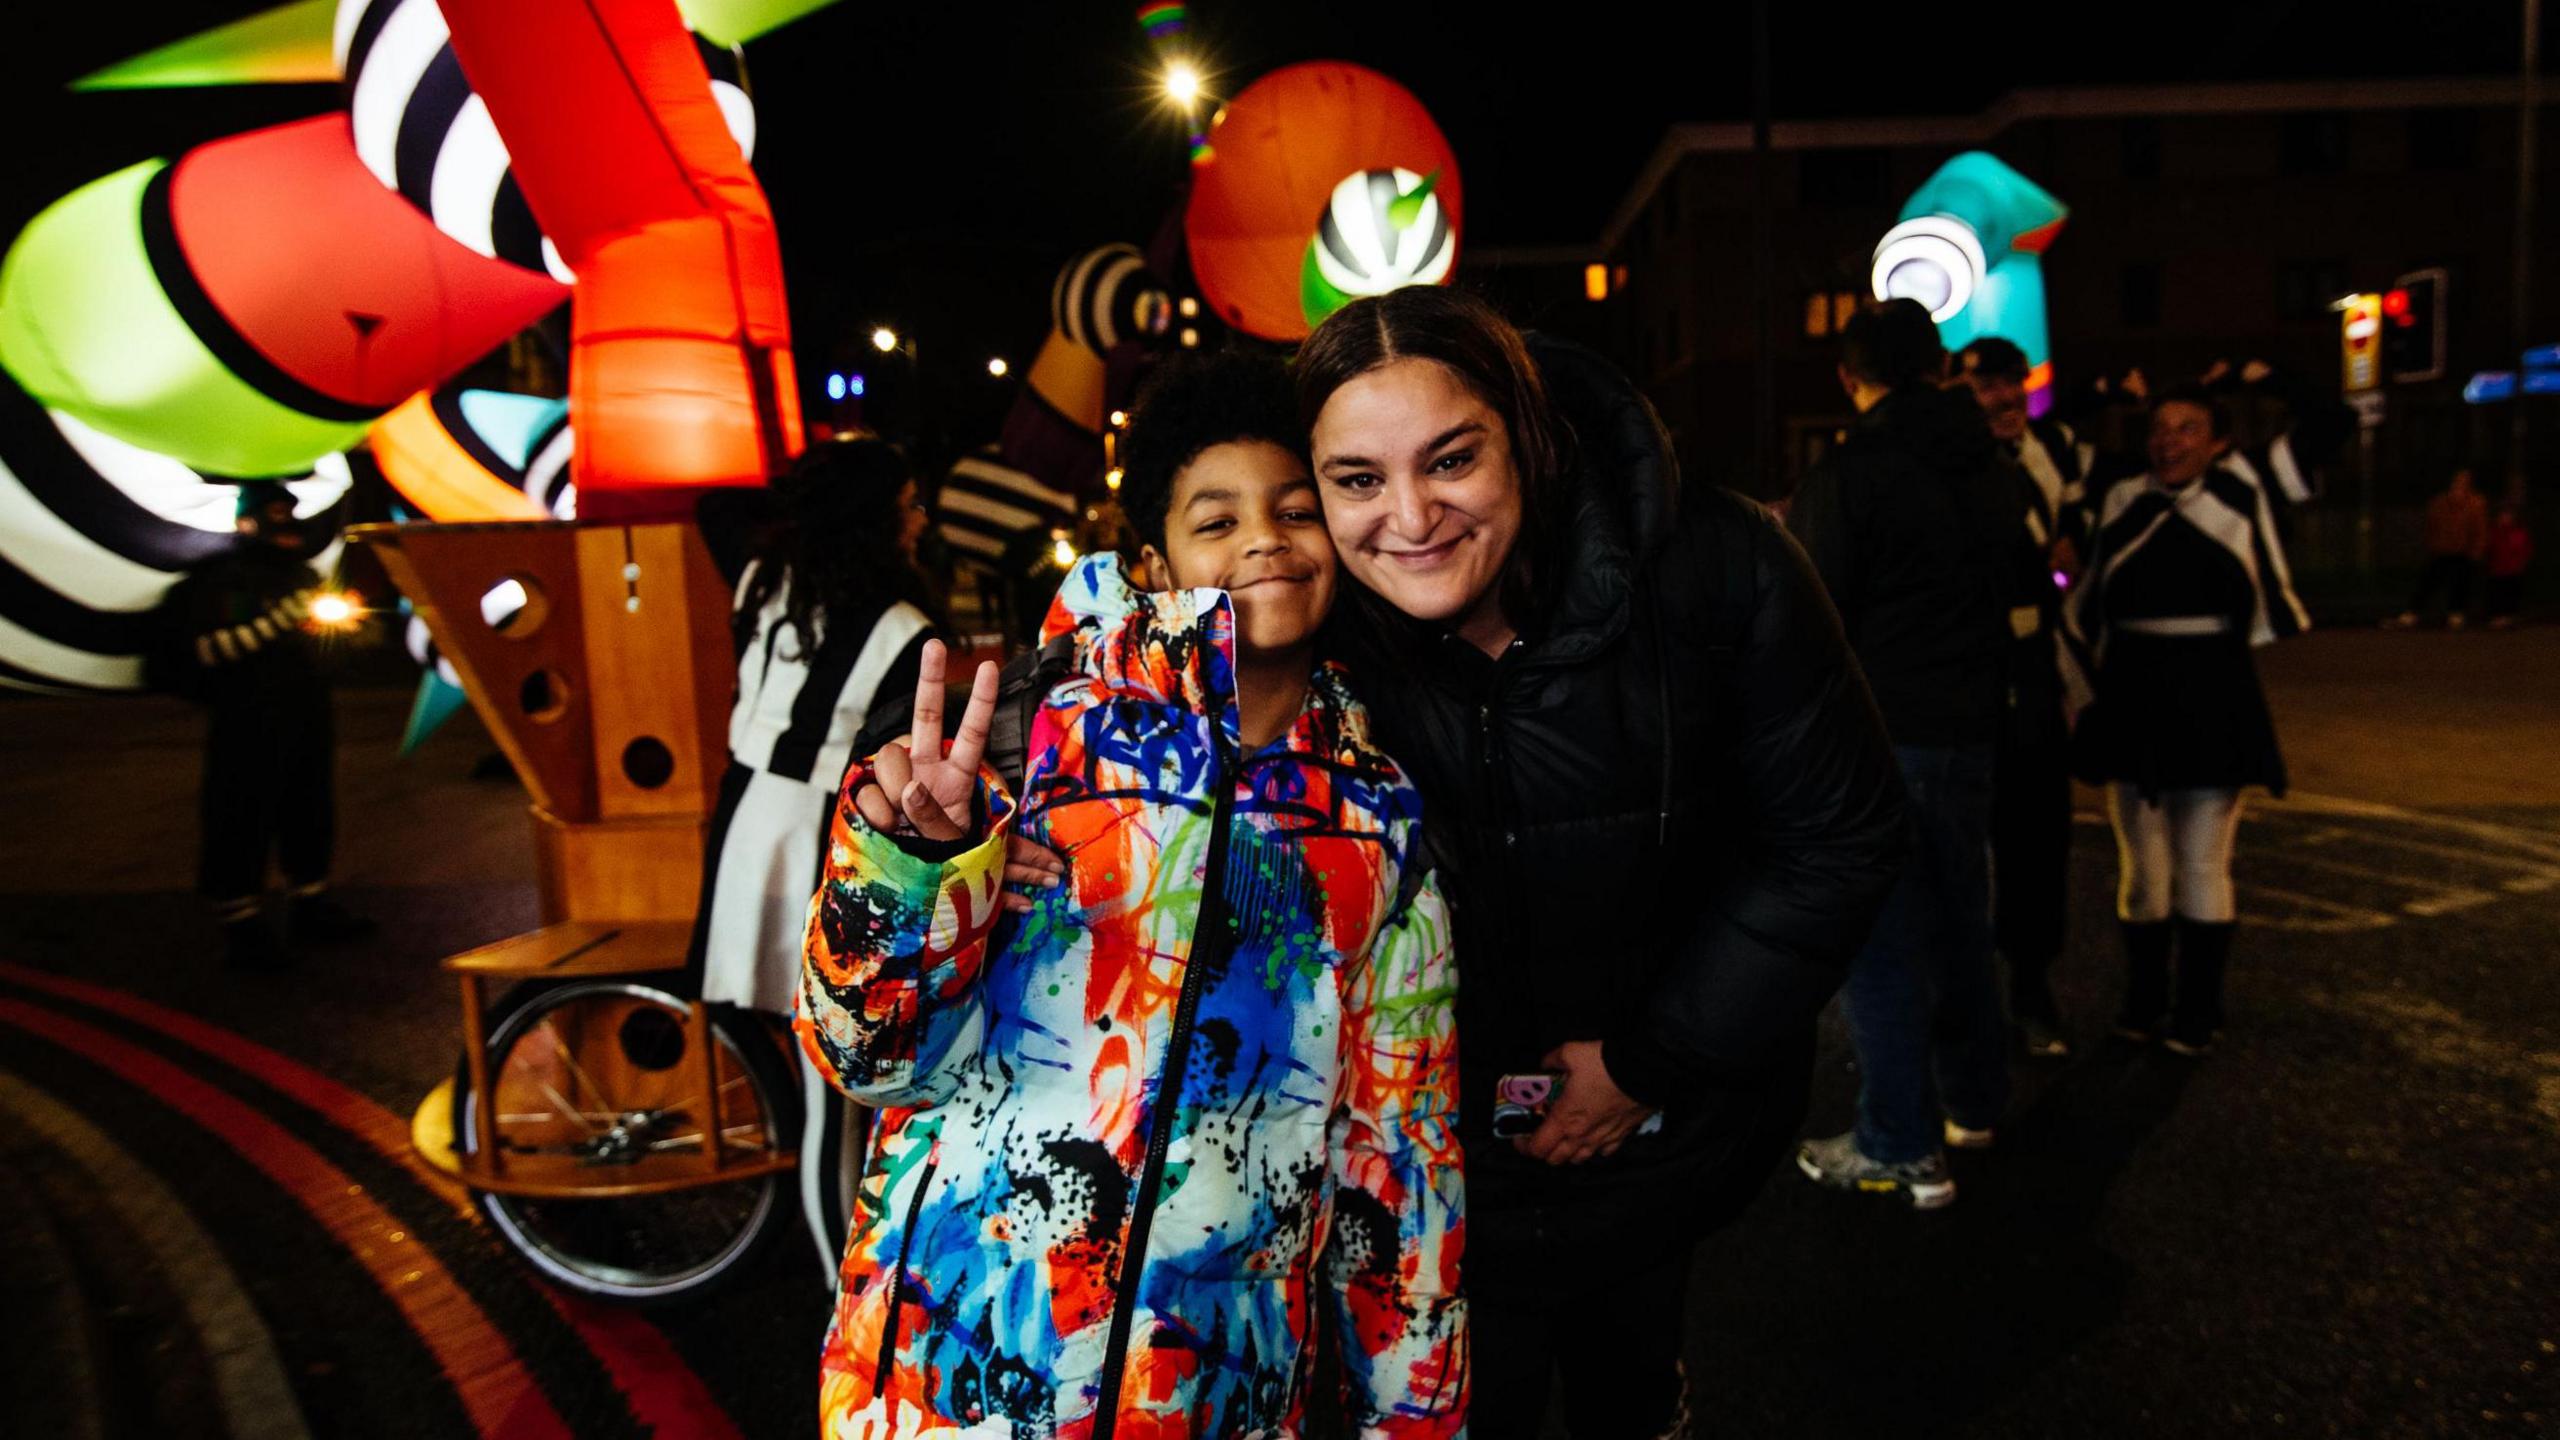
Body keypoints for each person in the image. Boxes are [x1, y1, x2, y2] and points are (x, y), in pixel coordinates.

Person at [797, 352, 1464, 1437]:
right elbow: (864, 1060)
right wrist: (912, 873)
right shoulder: (1028, 745)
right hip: (949, 1375)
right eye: (1217, 519)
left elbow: (1399, 1158)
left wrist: (1415, 1420)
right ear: (1153, 565)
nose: (1263, 538)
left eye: (1296, 509)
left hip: (1211, 1393)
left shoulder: (1378, 818)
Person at [1297, 287, 1904, 1436]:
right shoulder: (1304, 621)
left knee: (1631, 1384)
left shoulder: (1718, 566)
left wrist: (1648, 1060)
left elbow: (1838, 834)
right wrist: (931, 829)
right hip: (1415, 1171)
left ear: (1524, 434)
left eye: (1452, 457)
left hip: (1657, 1138)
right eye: (1359, 480)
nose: (1412, 516)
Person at [1784, 299, 2020, 1208]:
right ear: (1937, 366)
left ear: (1851, 377)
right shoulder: (1985, 461)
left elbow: (1814, 608)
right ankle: (1976, 1100)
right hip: (1969, 725)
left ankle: (1900, 1141)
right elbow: (2020, 580)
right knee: (1964, 919)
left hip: (1882, 728)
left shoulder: (1856, 470)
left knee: (1881, 941)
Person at [688, 436, 938, 1276]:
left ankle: (840, 1283)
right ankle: (841, 1297)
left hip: (743, 824)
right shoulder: (905, 627)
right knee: (835, 1105)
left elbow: (714, 503)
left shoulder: (766, 580)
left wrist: (807, 492)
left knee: (821, 1092)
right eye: (908, 504)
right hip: (821, 841)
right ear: (875, 519)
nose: (922, 519)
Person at [2067, 384, 2308, 1057]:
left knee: (2202, 862)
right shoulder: (2120, 498)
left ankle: (2198, 1011)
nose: (2169, 441)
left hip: (2211, 691)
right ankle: (2143, 1004)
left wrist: (2266, 373)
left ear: (2219, 441)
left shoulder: (2238, 494)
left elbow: (2328, 422)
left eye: (2189, 428)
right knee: (2141, 866)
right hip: (2132, 692)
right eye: (2160, 428)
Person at [148, 487, 373, 971]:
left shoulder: (303, 574)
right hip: (246, 721)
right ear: (247, 522)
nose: (287, 521)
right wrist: (282, 620)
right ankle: (241, 925)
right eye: (275, 512)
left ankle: (310, 905)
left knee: (309, 807)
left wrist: (337, 629)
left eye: (290, 511)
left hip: (306, 714)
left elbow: (328, 645)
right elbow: (207, 650)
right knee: (240, 815)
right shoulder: (223, 581)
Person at [1954, 336, 2087, 1059]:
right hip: (1974, 673)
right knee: (1963, 845)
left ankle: (2032, 984)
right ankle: (1970, 1001)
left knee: (2038, 836)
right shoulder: (1954, 465)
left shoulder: (2057, 449)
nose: (2003, 401)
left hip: (2038, 666)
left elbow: (2086, 512)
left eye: (2011, 386)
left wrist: (2076, 547)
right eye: (1985, 387)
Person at [2388, 469, 2491, 629]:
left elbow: (2479, 528)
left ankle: (2456, 613)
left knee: (2461, 582)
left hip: (2463, 550)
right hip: (2442, 549)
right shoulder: (2440, 501)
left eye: (2464, 481)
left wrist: (2477, 549)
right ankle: (2413, 612)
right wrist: (2432, 543)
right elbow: (2432, 524)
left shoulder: (2475, 503)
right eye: (2458, 480)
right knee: (2430, 580)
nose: (2460, 484)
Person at [2484, 499, 2532, 628]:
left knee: (2511, 593)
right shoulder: (2494, 532)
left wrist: (2521, 562)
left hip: (2513, 570)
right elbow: (2489, 547)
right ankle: (2497, 616)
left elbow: (2525, 548)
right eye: (2503, 515)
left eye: (2508, 515)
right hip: (2497, 569)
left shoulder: (2519, 532)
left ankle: (2510, 615)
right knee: (2497, 593)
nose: (2505, 518)